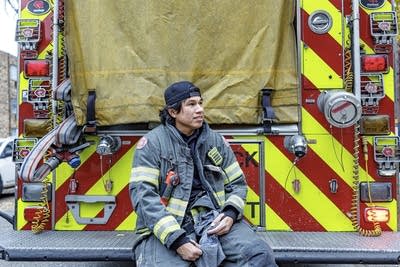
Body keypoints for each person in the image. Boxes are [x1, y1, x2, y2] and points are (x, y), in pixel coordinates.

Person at [129, 81, 277, 266]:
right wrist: (177, 240)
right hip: (168, 225)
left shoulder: (215, 141)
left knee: (259, 255)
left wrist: (230, 214)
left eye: (200, 103)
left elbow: (237, 185)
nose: (199, 109)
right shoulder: (152, 144)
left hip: (212, 219)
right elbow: (143, 198)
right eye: (191, 104)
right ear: (173, 112)